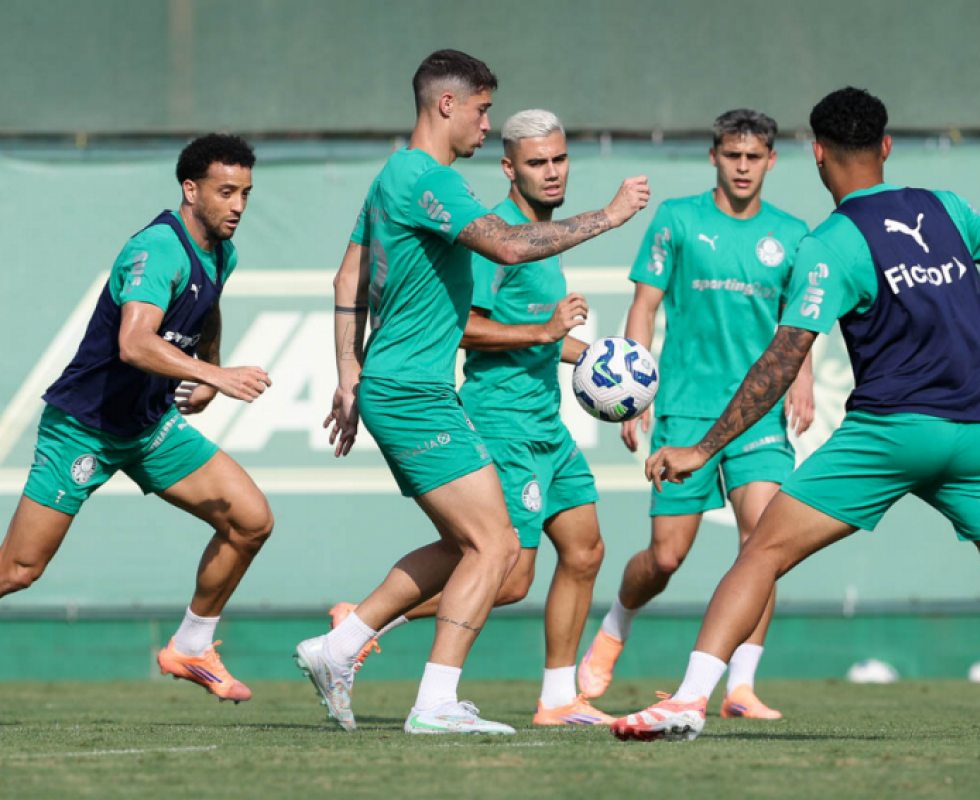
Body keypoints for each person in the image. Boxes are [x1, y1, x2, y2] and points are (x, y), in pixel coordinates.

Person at [611, 87, 980, 743]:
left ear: (817, 154)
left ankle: (686, 701)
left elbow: (781, 361)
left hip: (894, 432)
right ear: (886, 147)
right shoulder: (946, 208)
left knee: (760, 553)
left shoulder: (830, 243)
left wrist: (702, 447)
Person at [295, 50, 650, 735]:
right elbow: (509, 248)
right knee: (495, 551)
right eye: (483, 109)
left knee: (481, 547)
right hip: (413, 393)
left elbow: (348, 278)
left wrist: (347, 375)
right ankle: (432, 703)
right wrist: (607, 217)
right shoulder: (428, 181)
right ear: (447, 105)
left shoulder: (394, 177)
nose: (489, 124)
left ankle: (339, 648)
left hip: (411, 389)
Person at [0, 134, 274, 704]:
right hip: (84, 428)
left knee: (251, 521)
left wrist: (208, 369)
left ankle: (192, 646)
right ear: (190, 190)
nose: (238, 205)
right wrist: (221, 379)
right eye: (226, 192)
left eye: (246, 193)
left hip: (149, 428)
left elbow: (208, 304)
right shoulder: (157, 249)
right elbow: (134, 343)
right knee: (19, 571)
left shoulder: (222, 251)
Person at [580, 109, 813, 718]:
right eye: (732, 155)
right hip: (684, 411)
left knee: (764, 541)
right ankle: (615, 625)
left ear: (771, 161)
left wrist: (803, 378)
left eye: (754, 156)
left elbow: (801, 319)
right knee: (665, 557)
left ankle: (740, 686)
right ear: (714, 156)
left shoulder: (791, 234)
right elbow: (645, 305)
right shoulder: (678, 220)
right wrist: (637, 390)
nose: (742, 166)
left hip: (758, 415)